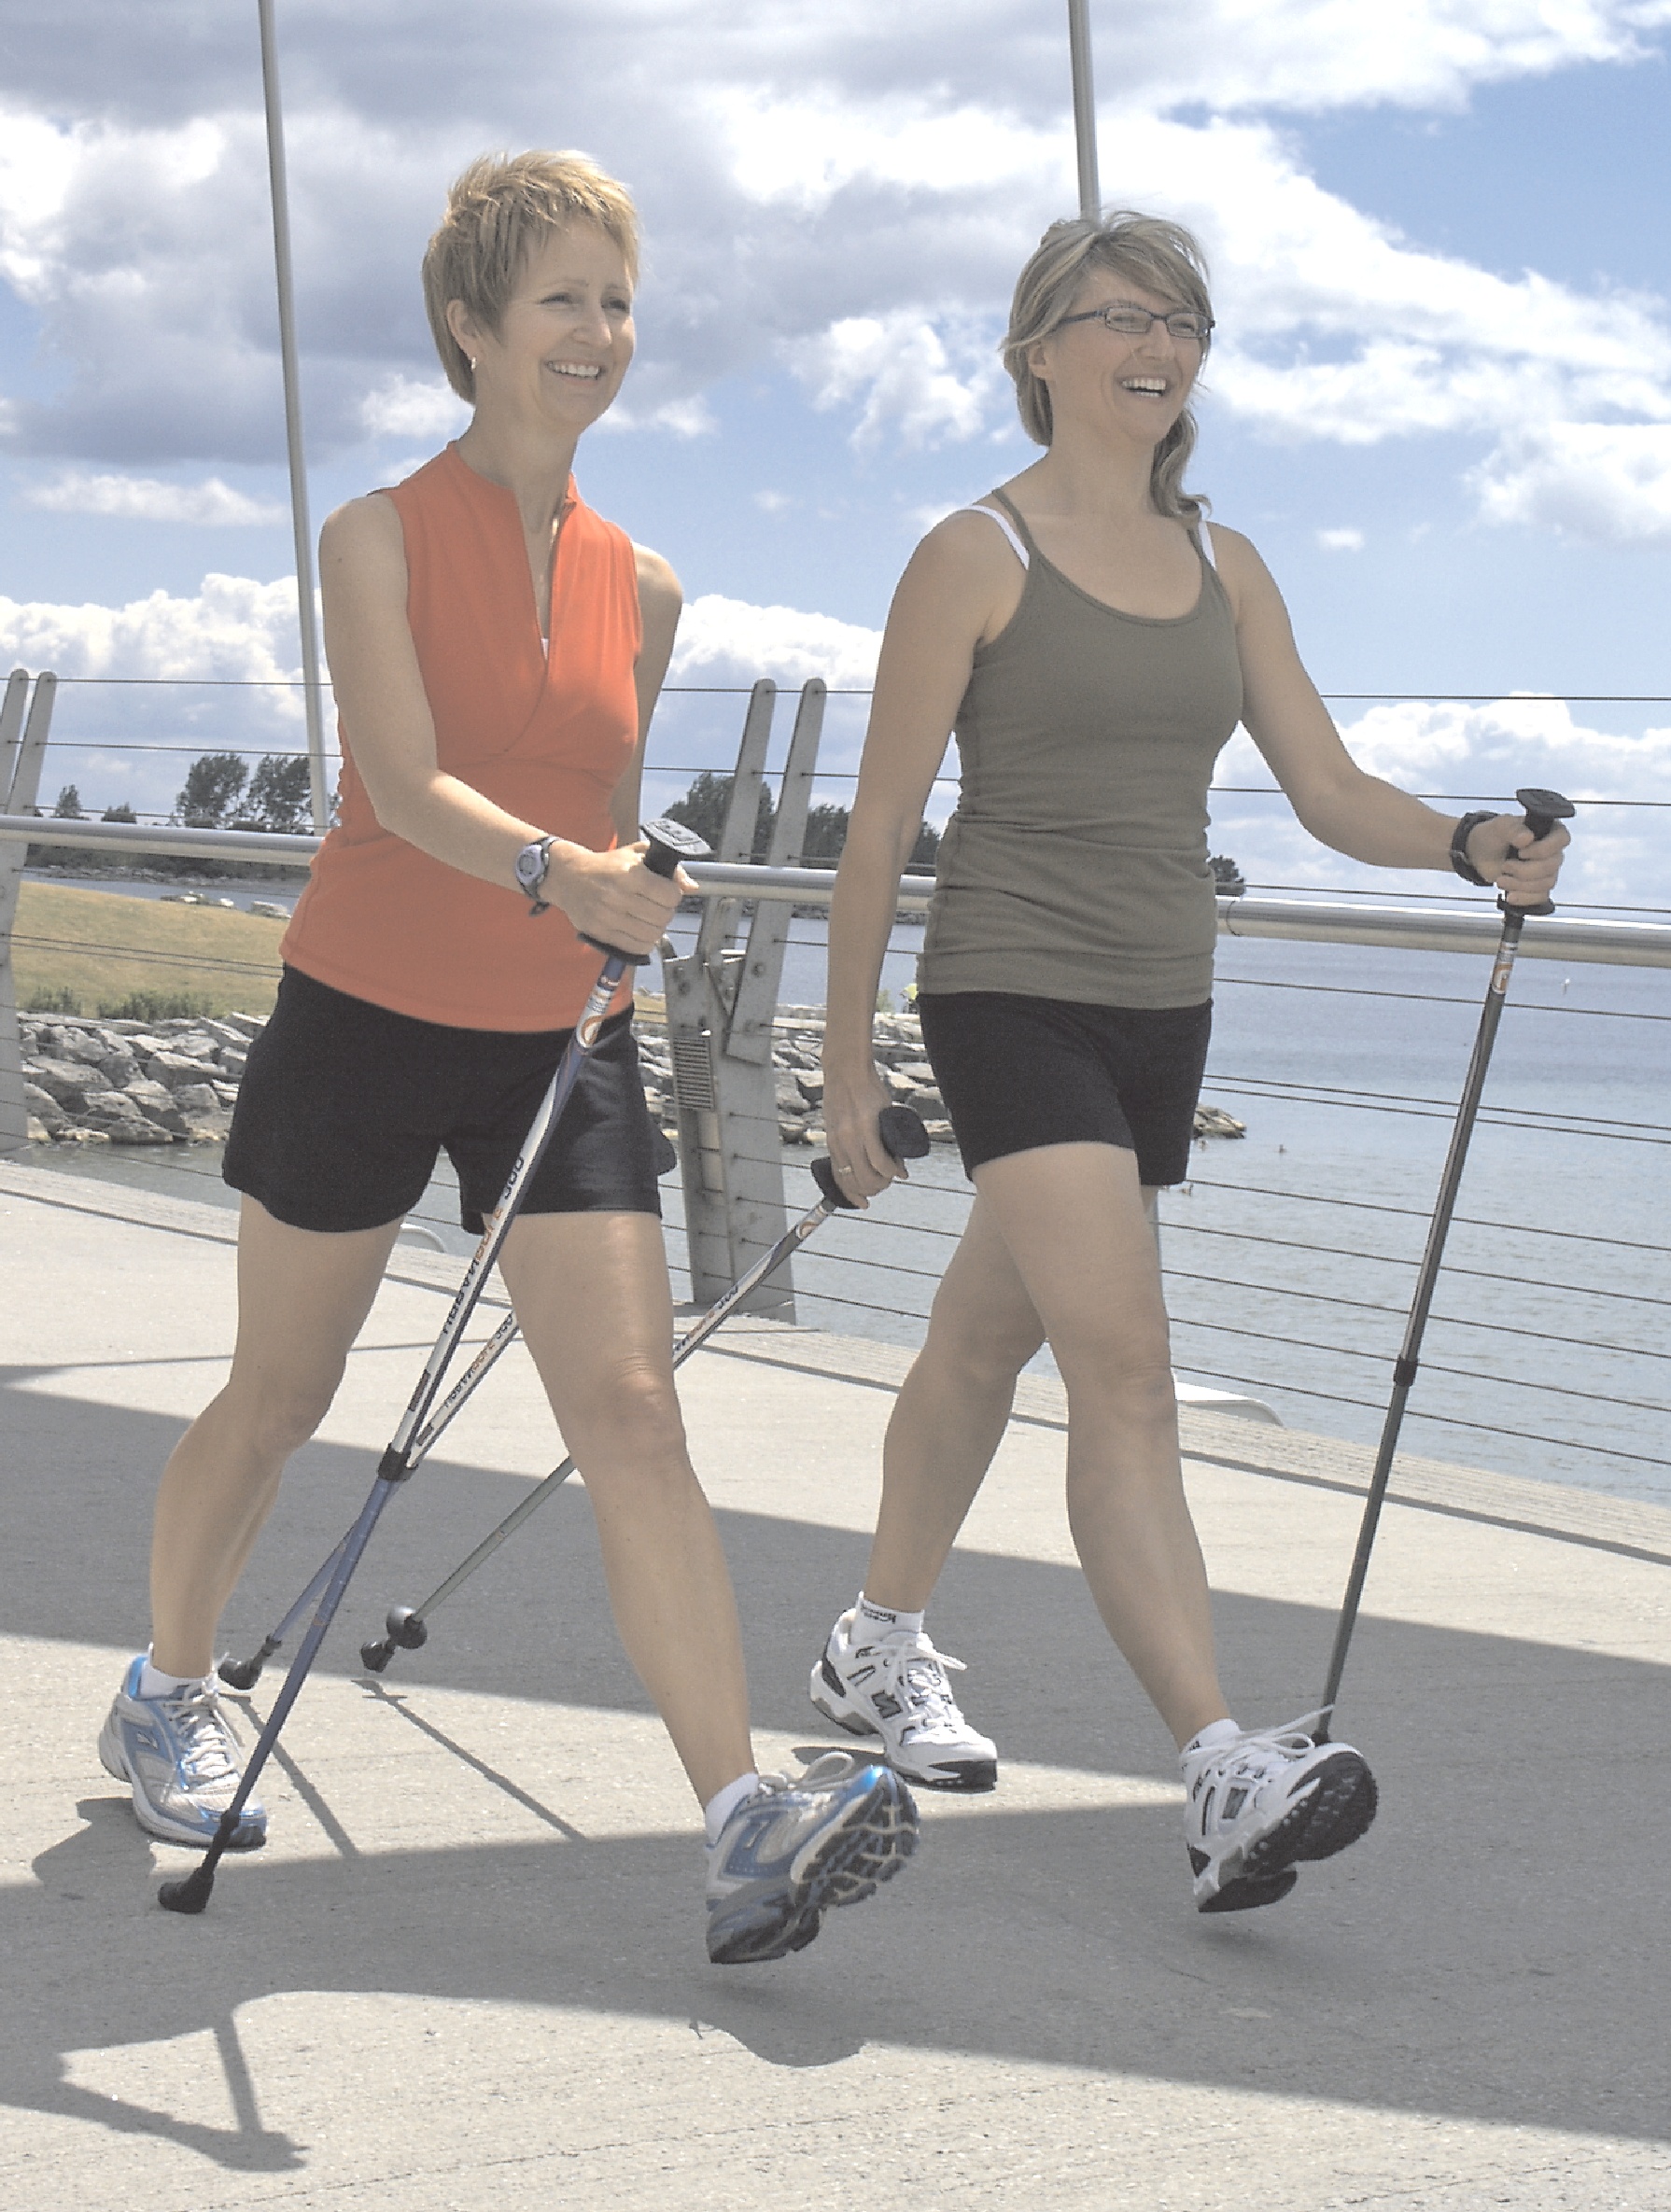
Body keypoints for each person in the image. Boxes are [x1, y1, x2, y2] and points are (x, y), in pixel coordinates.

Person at [96, 150, 916, 1966]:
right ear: (470, 326)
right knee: (280, 1397)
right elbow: (398, 785)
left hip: (559, 1035)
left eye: (618, 301)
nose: (600, 334)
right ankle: (163, 1688)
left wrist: (615, 905)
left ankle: (737, 1820)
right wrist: (558, 868)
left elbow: (604, 821)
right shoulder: (376, 535)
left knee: (630, 1410)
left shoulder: (652, 587)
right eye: (563, 299)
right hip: (368, 1010)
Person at [811, 212, 1568, 1913]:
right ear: (1037, 349)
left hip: (1165, 1005)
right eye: (1120, 315)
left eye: (1184, 321)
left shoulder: (1227, 566)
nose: (1158, 343)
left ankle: (874, 1639)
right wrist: (853, 1066)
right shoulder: (971, 552)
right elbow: (876, 824)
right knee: (1127, 1369)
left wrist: (1458, 839)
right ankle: (1219, 1757)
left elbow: (1320, 783)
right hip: (1008, 986)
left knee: (979, 1338)